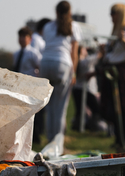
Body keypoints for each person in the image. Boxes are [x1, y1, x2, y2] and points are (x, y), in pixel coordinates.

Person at [101, 3, 125, 149]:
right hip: (112, 71)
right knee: (113, 107)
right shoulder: (114, 30)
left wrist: (124, 40)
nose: (111, 16)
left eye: (114, 13)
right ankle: (119, 139)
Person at [39, 1, 81, 142]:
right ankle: (58, 142)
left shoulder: (47, 26)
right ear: (70, 12)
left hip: (45, 64)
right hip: (62, 65)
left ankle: (49, 139)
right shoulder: (73, 27)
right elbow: (74, 54)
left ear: (55, 12)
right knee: (60, 107)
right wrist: (74, 73)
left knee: (49, 107)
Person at [71, 46, 102, 131]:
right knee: (96, 109)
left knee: (79, 110)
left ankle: (77, 126)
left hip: (76, 88)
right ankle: (93, 126)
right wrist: (100, 48)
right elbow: (98, 55)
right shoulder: (85, 61)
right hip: (86, 89)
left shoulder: (77, 62)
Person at [31, 18, 51, 144]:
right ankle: (37, 134)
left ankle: (40, 132)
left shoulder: (39, 39)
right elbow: (35, 56)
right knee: (37, 108)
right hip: (36, 76)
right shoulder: (36, 39)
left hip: (40, 74)